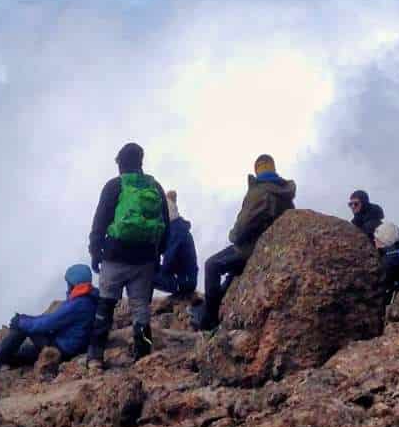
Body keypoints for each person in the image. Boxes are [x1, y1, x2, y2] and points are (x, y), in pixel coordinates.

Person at [87, 142, 170, 371]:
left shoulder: (114, 186)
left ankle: (95, 358)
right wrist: (157, 254)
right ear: (140, 162)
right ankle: (143, 357)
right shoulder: (155, 187)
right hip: (144, 260)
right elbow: (165, 224)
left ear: (120, 164)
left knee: (105, 306)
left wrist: (95, 252)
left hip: (115, 256)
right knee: (141, 309)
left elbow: (100, 221)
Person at [190, 154, 296, 331]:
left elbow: (242, 227)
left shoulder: (260, 191)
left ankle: (210, 321)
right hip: (270, 248)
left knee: (212, 265)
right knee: (231, 277)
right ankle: (210, 309)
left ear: (257, 169)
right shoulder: (285, 194)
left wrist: (233, 235)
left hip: (250, 249)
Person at [0, 264, 99, 377]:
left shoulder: (78, 304)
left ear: (73, 283)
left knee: (21, 328)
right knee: (24, 353)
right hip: (72, 346)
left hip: (64, 349)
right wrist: (27, 319)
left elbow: (48, 323)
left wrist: (20, 321)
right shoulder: (88, 299)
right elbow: (53, 320)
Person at [153, 190, 198, 296]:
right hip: (184, 277)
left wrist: (159, 270)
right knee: (148, 268)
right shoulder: (177, 228)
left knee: (145, 274)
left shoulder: (176, 230)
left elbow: (169, 259)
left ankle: (180, 290)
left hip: (185, 282)